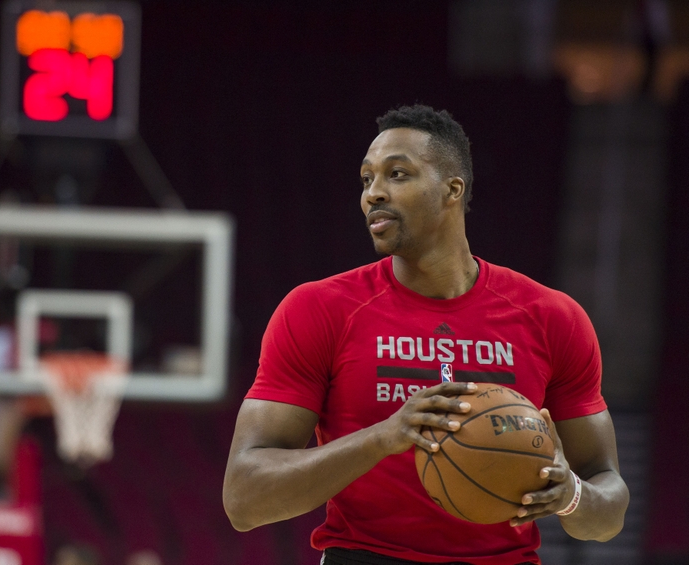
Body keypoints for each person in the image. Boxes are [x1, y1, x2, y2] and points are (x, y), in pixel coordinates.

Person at [222, 104, 629, 565]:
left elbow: (609, 505)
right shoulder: (318, 310)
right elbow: (244, 498)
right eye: (366, 179)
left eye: (397, 174)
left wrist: (570, 493)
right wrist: (384, 436)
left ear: (452, 189)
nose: (373, 193)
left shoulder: (553, 317)